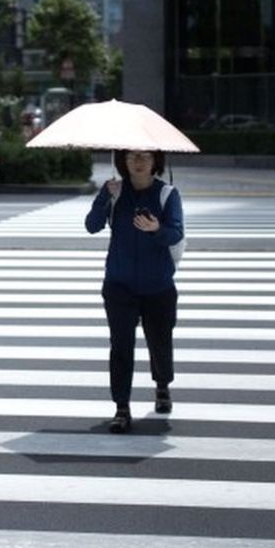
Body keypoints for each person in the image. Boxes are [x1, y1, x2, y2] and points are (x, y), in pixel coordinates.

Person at [84, 149, 184, 433]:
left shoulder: (167, 194)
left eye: (145, 156)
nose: (138, 162)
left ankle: (162, 385)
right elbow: (92, 226)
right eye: (131, 157)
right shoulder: (115, 191)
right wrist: (105, 196)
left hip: (158, 285)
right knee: (121, 347)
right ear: (122, 161)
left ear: (155, 161)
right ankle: (121, 408)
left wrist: (156, 228)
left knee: (160, 342)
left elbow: (176, 232)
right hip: (119, 284)